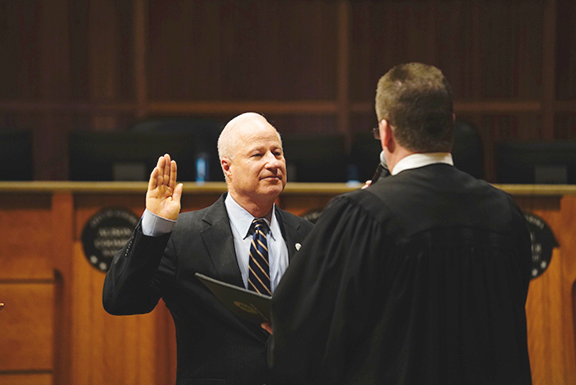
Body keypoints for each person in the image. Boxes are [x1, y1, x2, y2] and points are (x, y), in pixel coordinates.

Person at [268, 63, 533, 385]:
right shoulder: (505, 212)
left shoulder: (361, 215)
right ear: (449, 126)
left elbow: (302, 333)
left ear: (386, 132)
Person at [103, 112, 314, 385]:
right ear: (227, 167)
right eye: (258, 155)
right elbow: (121, 300)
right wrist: (154, 225)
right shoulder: (182, 236)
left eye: (277, 152)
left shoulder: (309, 236)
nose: (273, 163)